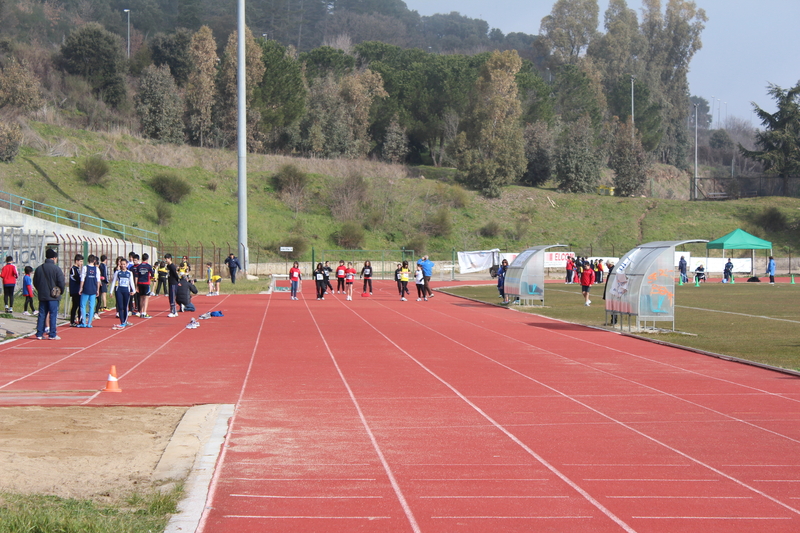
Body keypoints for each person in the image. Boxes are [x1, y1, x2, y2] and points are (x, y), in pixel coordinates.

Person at [33, 248, 64, 340]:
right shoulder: (57, 269)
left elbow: (35, 282)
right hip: (53, 296)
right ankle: (52, 334)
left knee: (42, 314)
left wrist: (40, 290)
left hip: (42, 295)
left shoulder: (39, 269)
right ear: (54, 258)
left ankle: (39, 333)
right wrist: (59, 291)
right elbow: (61, 282)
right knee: (53, 314)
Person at [109, 256, 134, 329]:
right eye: (121, 264)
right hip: (119, 290)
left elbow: (131, 282)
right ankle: (122, 321)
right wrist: (111, 291)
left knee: (125, 306)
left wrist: (134, 291)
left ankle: (125, 321)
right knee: (120, 306)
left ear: (126, 264)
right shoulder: (117, 273)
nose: (123, 266)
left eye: (124, 264)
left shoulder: (129, 273)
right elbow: (114, 282)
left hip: (126, 291)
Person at [77, 254, 100, 328]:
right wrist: (98, 290)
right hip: (93, 289)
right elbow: (98, 281)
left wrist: (80, 288)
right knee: (91, 306)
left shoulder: (85, 268)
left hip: (86, 289)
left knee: (83, 305)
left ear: (88, 260)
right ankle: (89, 323)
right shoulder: (97, 269)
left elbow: (82, 279)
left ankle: (83, 322)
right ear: (95, 261)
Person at [135, 252, 155, 318]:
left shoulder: (138, 266)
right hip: (146, 283)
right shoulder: (149, 266)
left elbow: (136, 277)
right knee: (146, 298)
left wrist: (136, 285)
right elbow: (152, 275)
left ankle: (141, 312)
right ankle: (144, 312)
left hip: (140, 283)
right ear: (147, 259)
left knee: (141, 298)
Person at [68, 254, 84, 326]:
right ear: (76, 261)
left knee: (77, 306)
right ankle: (75, 321)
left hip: (77, 290)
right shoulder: (73, 269)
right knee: (77, 306)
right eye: (80, 261)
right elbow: (77, 278)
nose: (81, 263)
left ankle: (75, 320)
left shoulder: (77, 269)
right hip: (75, 290)